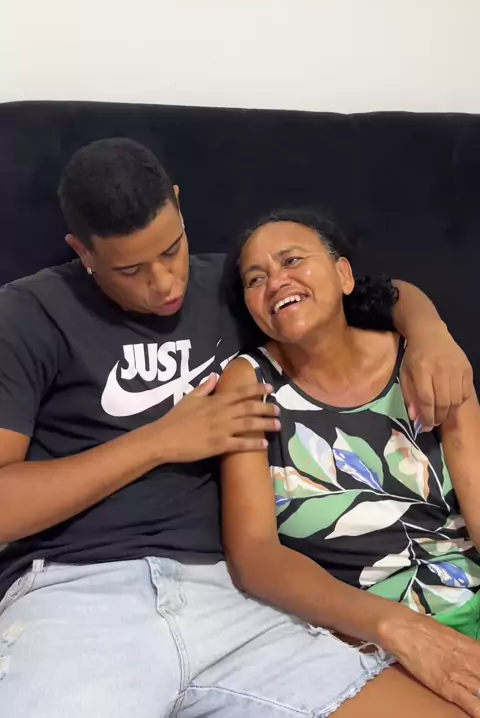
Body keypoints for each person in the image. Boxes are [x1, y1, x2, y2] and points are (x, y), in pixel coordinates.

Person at [0, 139, 472, 718]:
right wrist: (158, 442)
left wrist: (430, 332)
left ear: (179, 205)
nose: (164, 283)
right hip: (77, 597)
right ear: (83, 251)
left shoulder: (236, 287)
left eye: (172, 249)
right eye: (131, 270)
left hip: (235, 598)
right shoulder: (28, 314)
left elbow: (367, 292)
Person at [218, 206, 480, 718]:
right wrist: (402, 630)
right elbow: (254, 555)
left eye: (292, 260)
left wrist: (429, 331)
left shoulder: (423, 360)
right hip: (366, 640)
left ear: (343, 275)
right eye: (255, 278)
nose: (276, 281)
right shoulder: (250, 383)